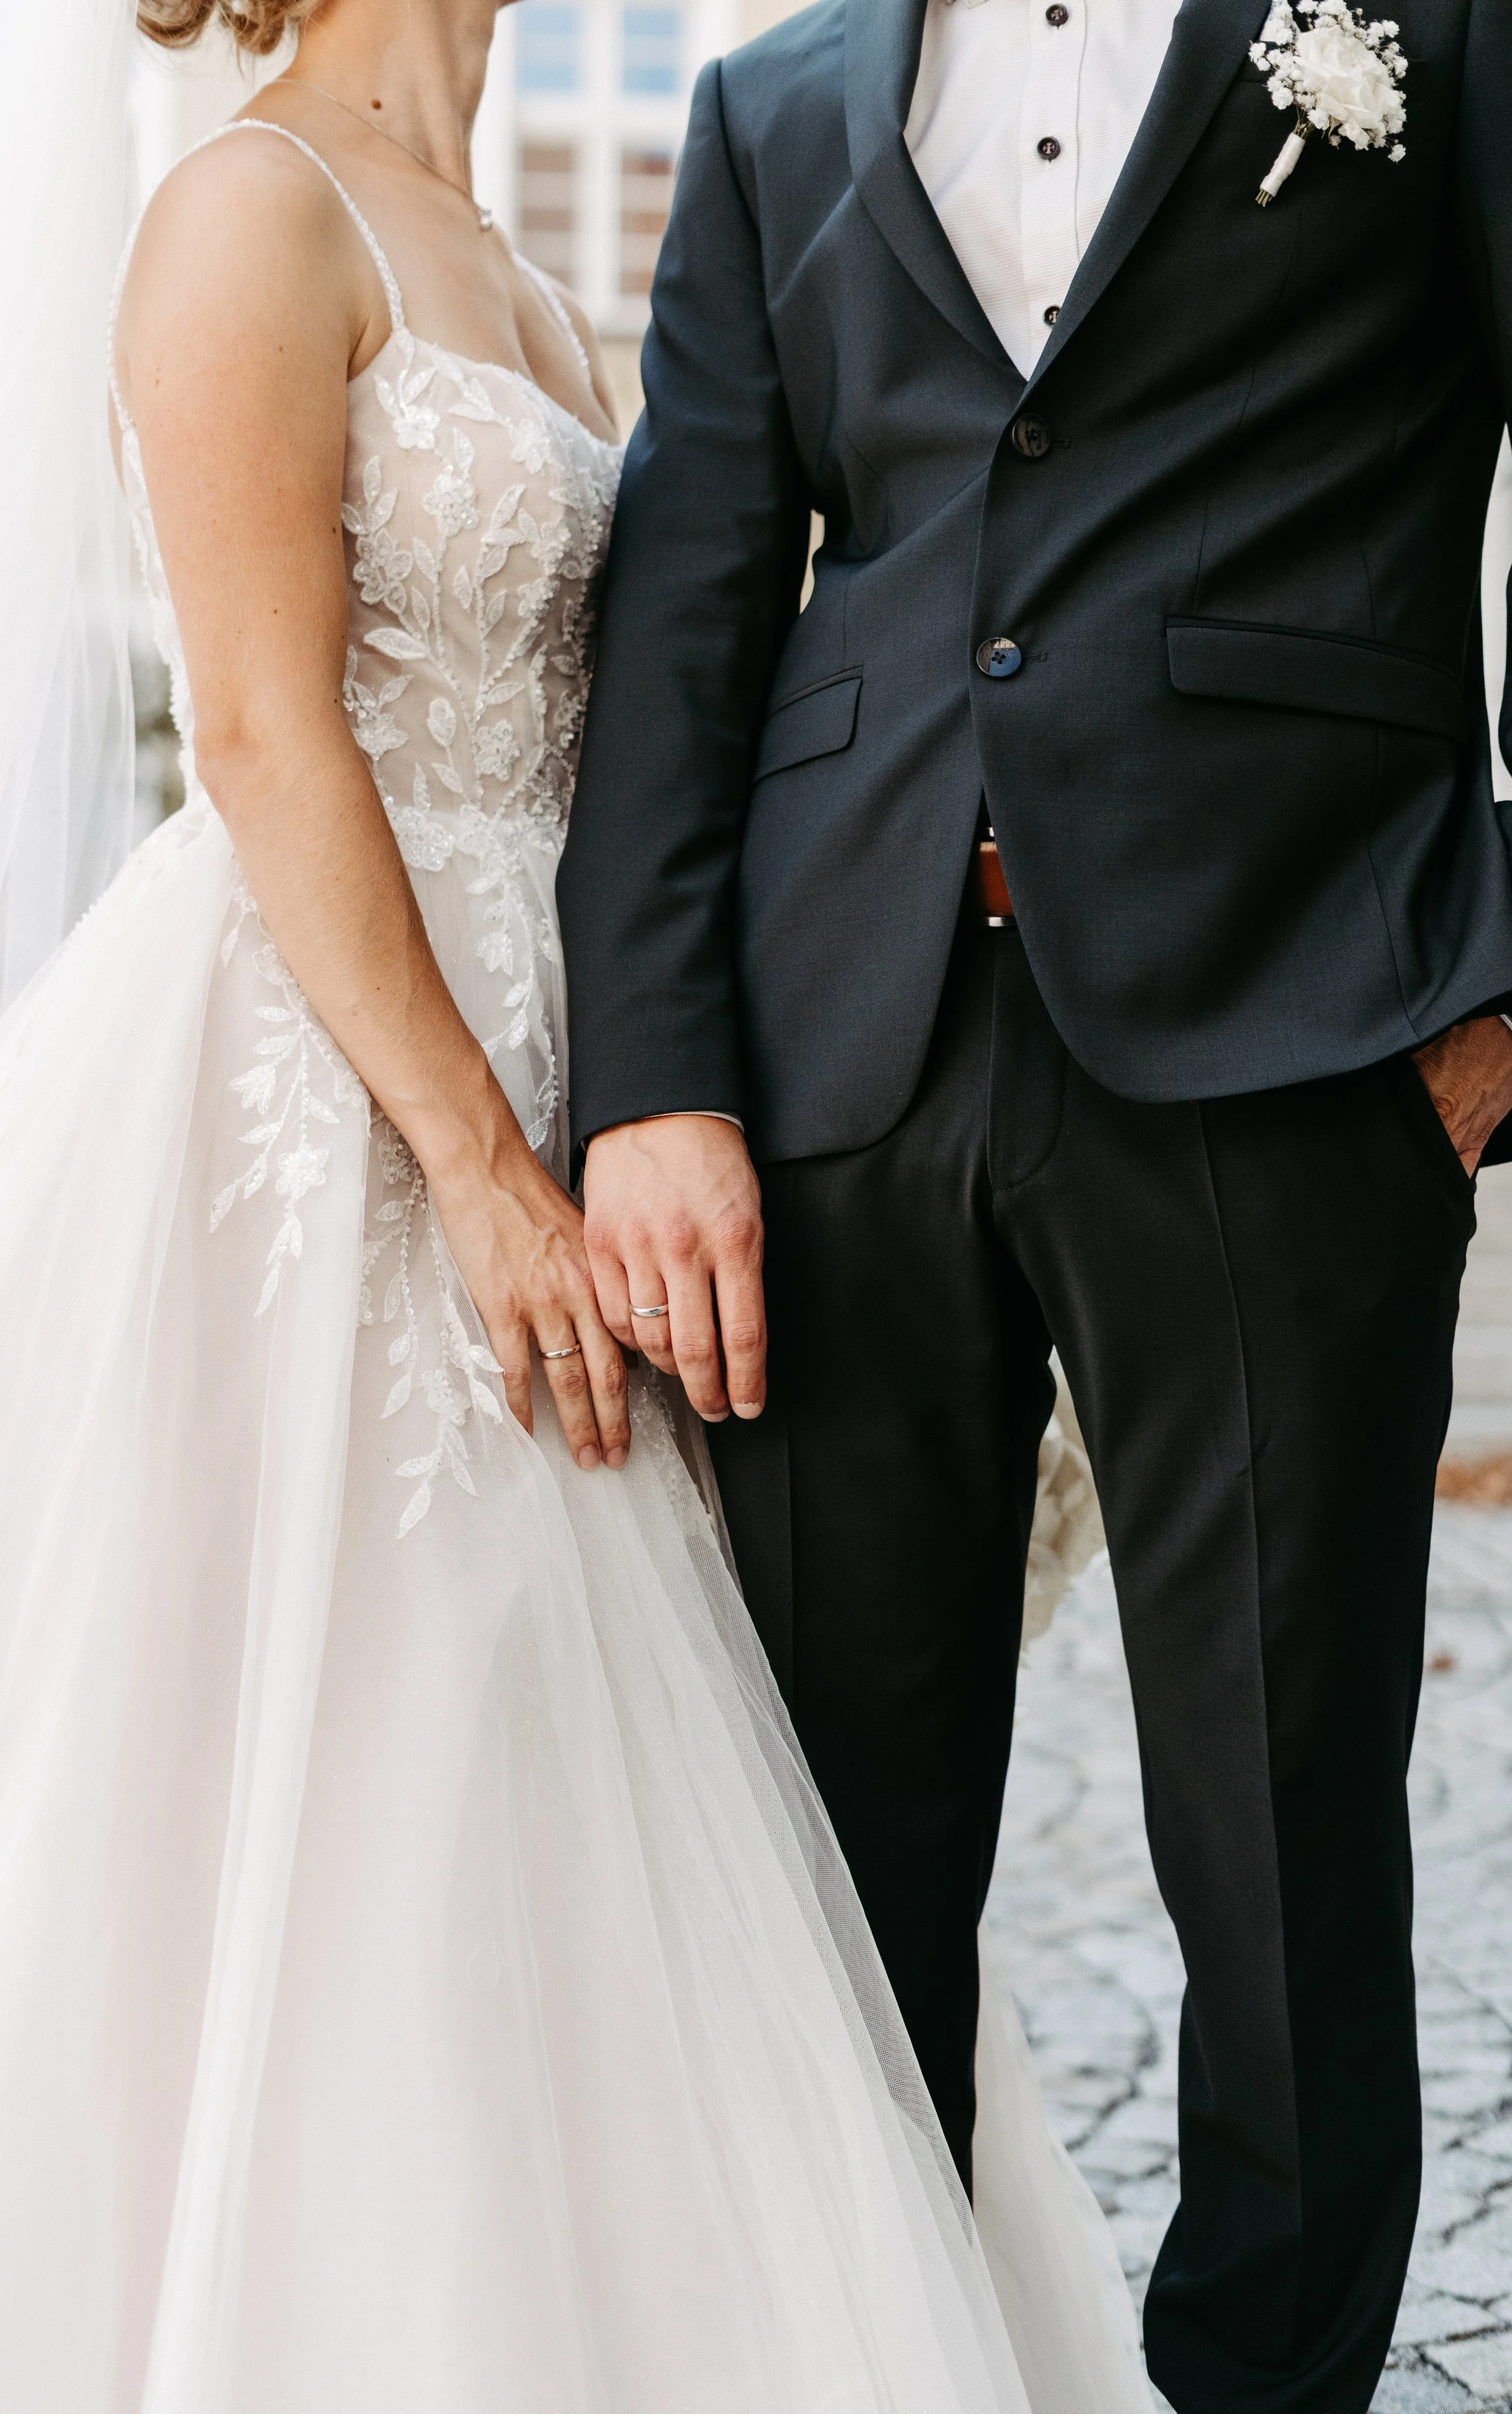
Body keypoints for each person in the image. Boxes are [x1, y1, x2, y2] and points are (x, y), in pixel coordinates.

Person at [0, 0, 1154, 2404]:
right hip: (333, 1105)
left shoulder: (539, 275)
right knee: (358, 1743)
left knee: (631, 1764)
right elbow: (265, 738)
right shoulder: (244, 214)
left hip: (604, 1098)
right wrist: (478, 1175)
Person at [557, 0, 1512, 2407]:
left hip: (1293, 1033)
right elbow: (687, 607)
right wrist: (657, 1081)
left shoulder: (1422, 32)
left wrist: (1496, 997)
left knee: (1279, 1846)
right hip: (837, 1059)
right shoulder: (771, 107)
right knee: (828, 1842)